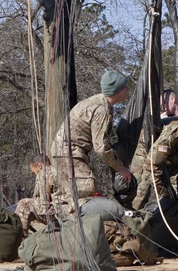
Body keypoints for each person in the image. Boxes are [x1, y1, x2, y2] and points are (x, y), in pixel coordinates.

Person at [50, 70, 134, 213]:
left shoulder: (99, 103)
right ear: (116, 91)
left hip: (67, 152)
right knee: (85, 197)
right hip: (70, 153)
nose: (127, 89)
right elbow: (101, 147)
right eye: (124, 87)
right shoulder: (100, 110)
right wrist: (120, 168)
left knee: (71, 197)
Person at [132, 118, 178, 250]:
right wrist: (162, 191)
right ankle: (133, 236)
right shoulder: (169, 137)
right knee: (142, 195)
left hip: (172, 160)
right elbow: (152, 165)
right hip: (148, 158)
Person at [14, 155, 53, 235]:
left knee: (24, 204)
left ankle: (20, 237)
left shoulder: (43, 174)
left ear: (39, 166)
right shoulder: (58, 170)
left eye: (34, 172)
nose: (35, 174)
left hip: (53, 212)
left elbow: (44, 203)